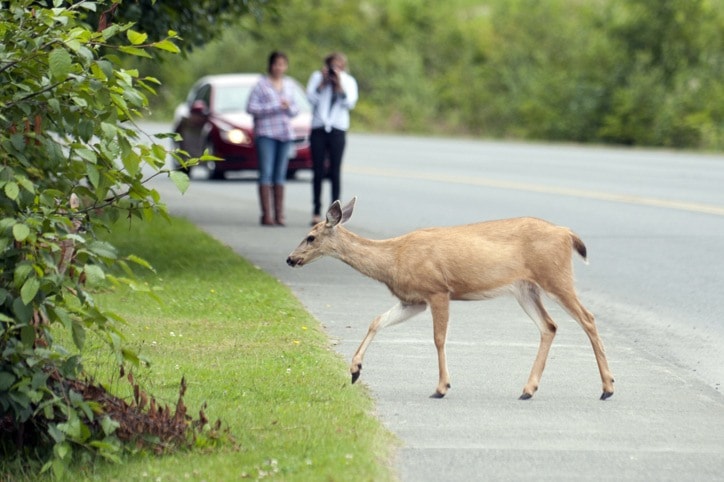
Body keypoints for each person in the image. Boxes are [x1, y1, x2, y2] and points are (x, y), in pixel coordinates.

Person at [246, 51, 300, 226]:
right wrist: (275, 105)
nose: (279, 67)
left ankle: (280, 214)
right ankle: (266, 214)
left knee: (281, 174)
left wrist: (288, 106)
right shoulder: (261, 85)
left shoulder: (290, 84)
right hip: (266, 133)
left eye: (283, 64)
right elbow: (251, 108)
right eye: (277, 64)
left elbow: (296, 110)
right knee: (266, 172)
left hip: (285, 134)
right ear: (270, 65)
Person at [306, 52, 358, 225]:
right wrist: (322, 83)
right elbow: (310, 98)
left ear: (343, 66)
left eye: (339, 65)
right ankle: (315, 210)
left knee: (335, 171)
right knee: (318, 170)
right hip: (318, 128)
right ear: (327, 66)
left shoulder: (348, 81)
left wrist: (338, 86)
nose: (336, 69)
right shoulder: (316, 77)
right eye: (332, 65)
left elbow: (349, 103)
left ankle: (335, 213)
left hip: (338, 128)